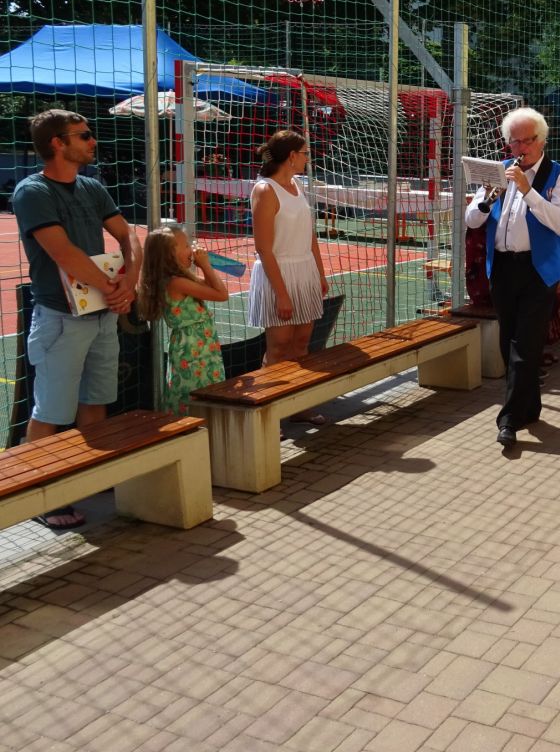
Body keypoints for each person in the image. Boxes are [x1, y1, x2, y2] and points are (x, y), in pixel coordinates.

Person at [12, 110, 142, 528]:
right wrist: (114, 288)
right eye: (84, 135)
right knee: (51, 410)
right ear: (57, 142)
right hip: (61, 318)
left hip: (101, 313)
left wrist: (129, 282)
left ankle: (89, 475)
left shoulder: (91, 186)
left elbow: (128, 234)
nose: (92, 141)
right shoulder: (32, 192)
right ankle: (41, 495)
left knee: (96, 401)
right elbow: (62, 252)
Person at [467, 108, 560, 448]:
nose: (520, 148)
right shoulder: (499, 171)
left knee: (525, 345)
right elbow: (471, 220)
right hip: (502, 267)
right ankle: (530, 406)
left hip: (537, 269)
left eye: (527, 140)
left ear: (542, 140)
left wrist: (529, 191)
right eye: (514, 141)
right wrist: (485, 199)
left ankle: (509, 419)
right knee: (508, 342)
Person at [247, 130, 330, 425]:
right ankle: (270, 416)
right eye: (305, 153)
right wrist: (281, 293)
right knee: (279, 346)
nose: (308, 158)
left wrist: (320, 274)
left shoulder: (297, 185)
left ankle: (299, 404)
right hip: (278, 274)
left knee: (302, 343)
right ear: (292, 156)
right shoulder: (264, 190)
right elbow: (263, 248)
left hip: (304, 271)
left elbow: (310, 236)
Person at [136, 224, 228, 415]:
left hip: (202, 347)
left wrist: (204, 266)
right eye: (186, 245)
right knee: (195, 397)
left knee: (207, 394)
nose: (191, 249)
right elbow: (221, 294)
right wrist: (206, 266)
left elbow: (212, 287)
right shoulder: (177, 283)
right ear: (170, 254)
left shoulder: (179, 279)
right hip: (193, 351)